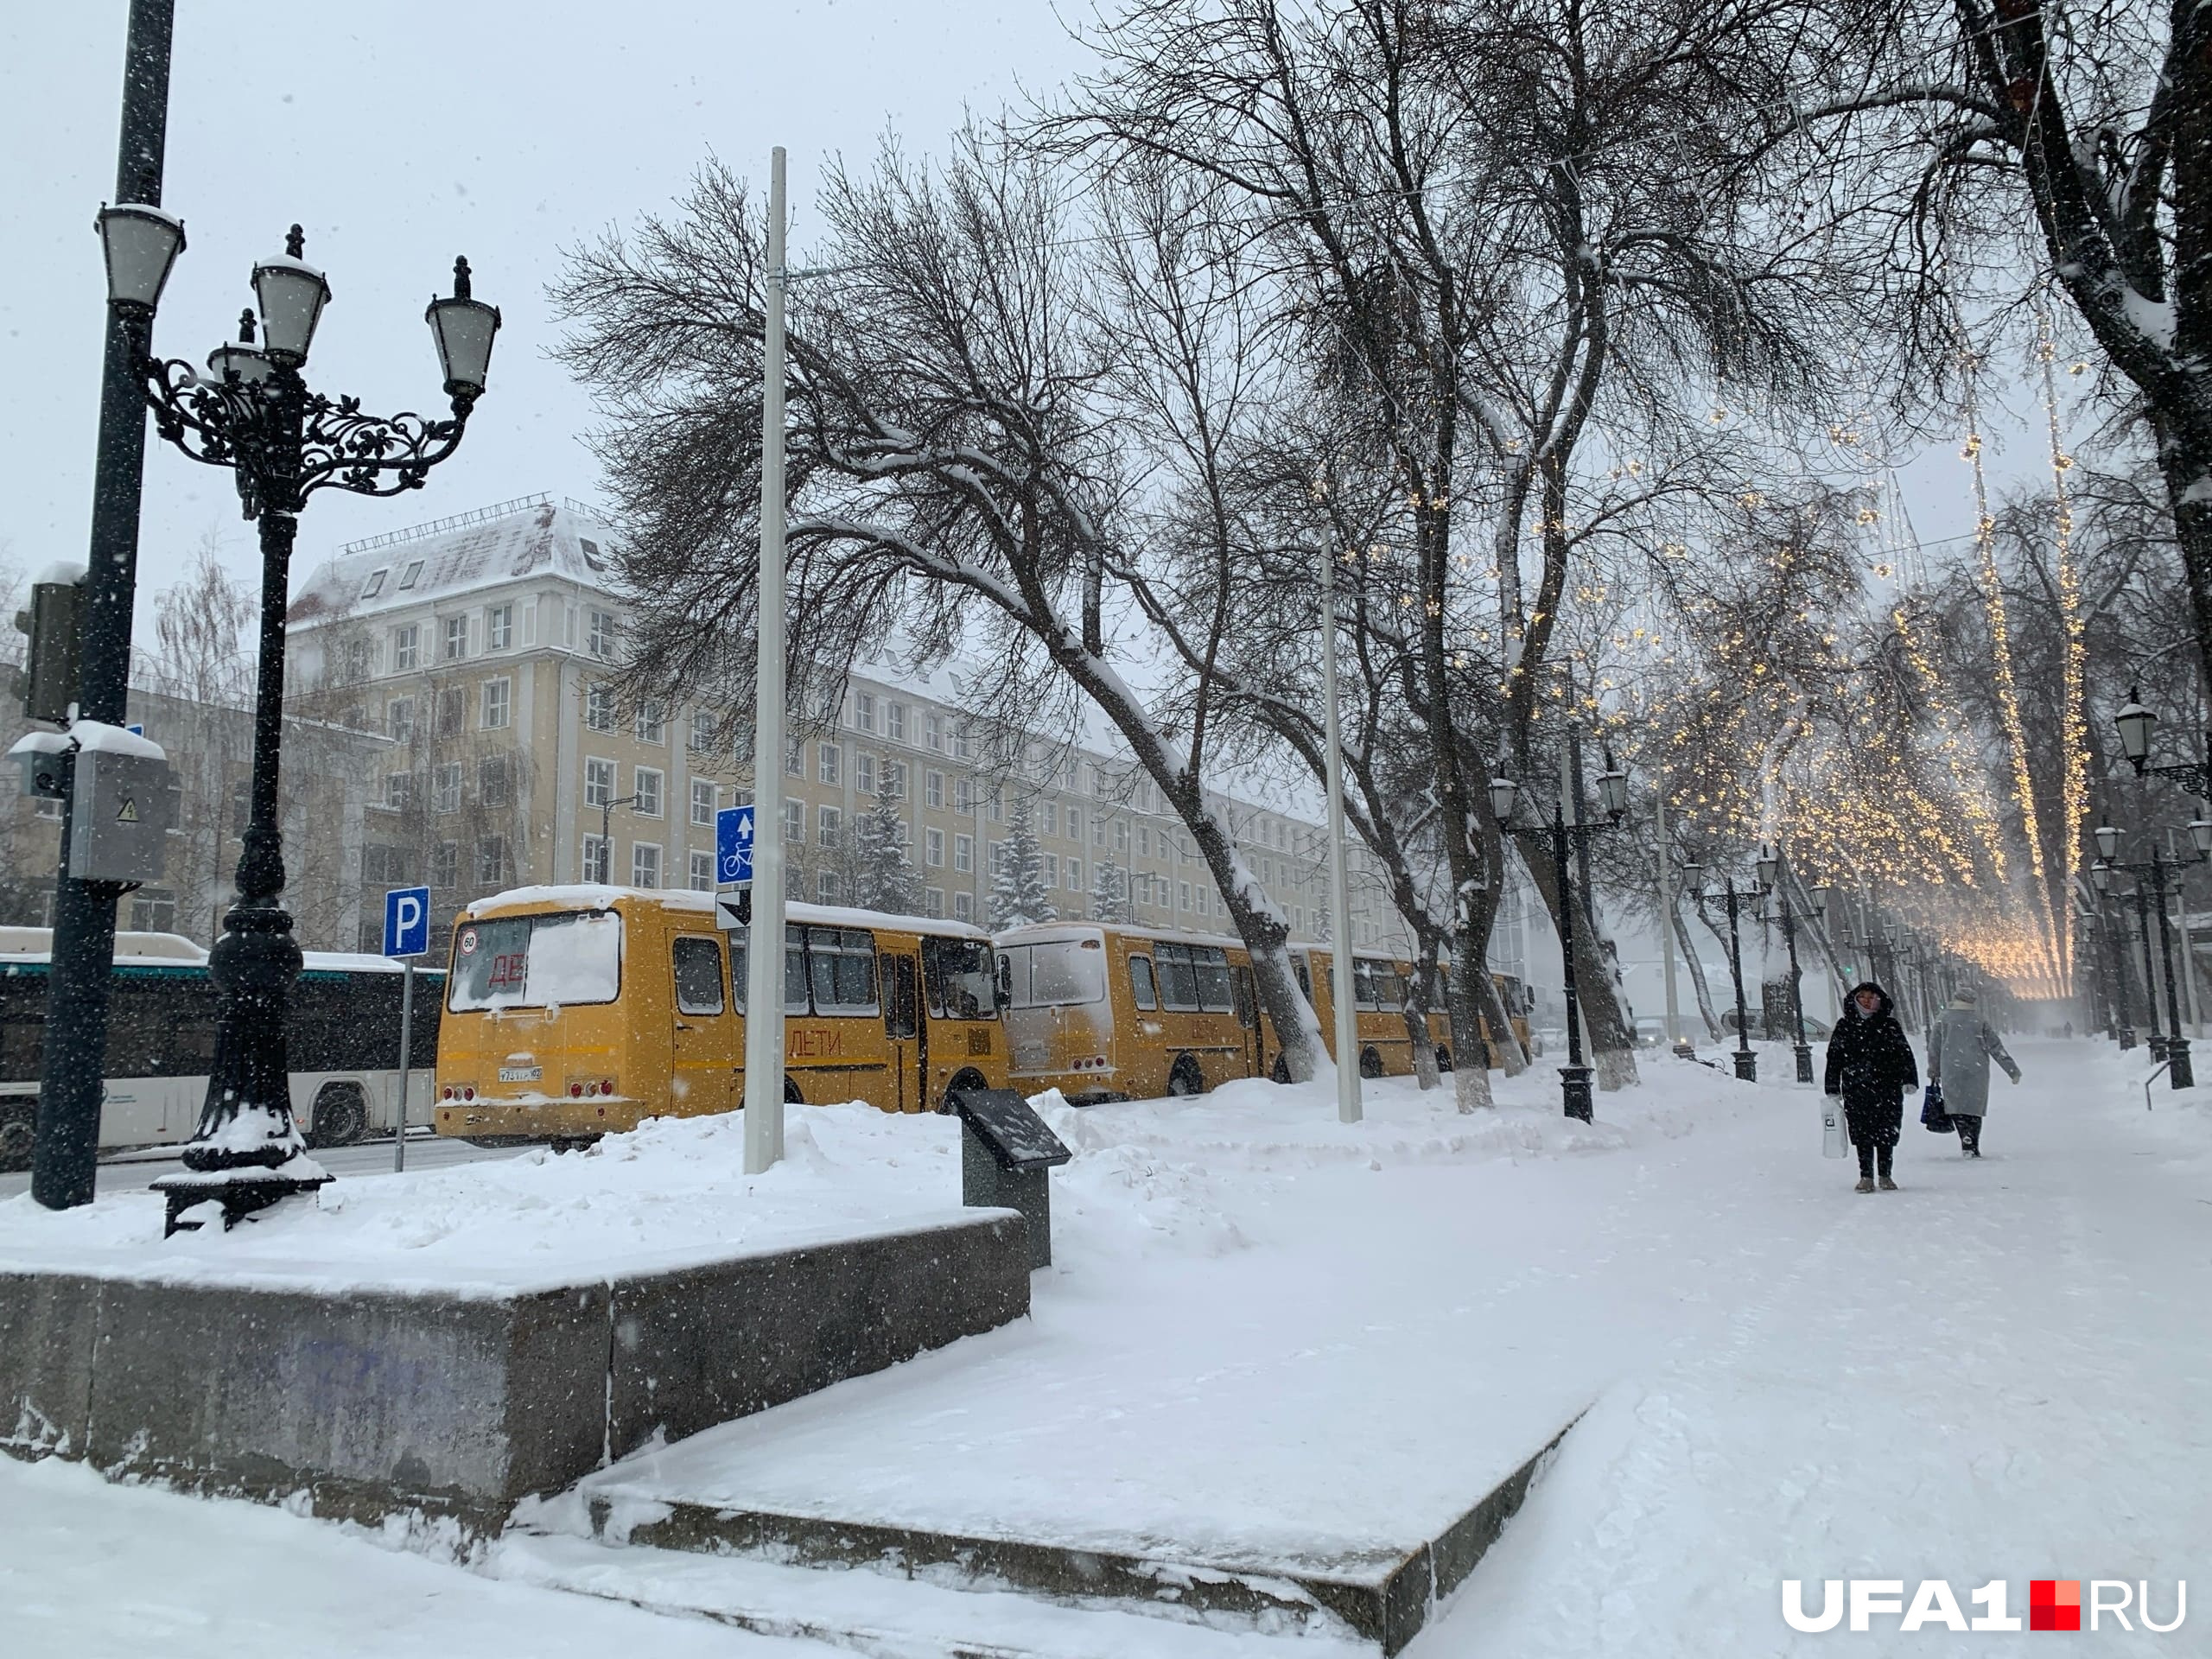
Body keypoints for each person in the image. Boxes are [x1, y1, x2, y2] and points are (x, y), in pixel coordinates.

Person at [1824, 981, 1918, 1192]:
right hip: (1857, 1088)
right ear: (1855, 1000)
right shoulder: (1845, 1026)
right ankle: (1866, 1175)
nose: (1867, 1000)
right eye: (1863, 997)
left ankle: (1885, 1174)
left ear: (1879, 1001)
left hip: (1888, 1087)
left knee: (1886, 1131)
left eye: (1871, 997)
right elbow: (1835, 1057)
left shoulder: (1890, 1025)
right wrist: (1832, 1086)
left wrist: (1909, 1079)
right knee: (1862, 1132)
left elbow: (1904, 1054)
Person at [1928, 987, 2020, 1158]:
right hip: (1977, 1070)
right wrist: (2012, 1070)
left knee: (1956, 1105)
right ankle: (1973, 1140)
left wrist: (1934, 1069)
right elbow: (1996, 1047)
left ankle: (1965, 1136)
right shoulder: (1979, 1020)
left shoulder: (1943, 1019)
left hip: (1951, 1068)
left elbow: (1934, 1047)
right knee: (1975, 1107)